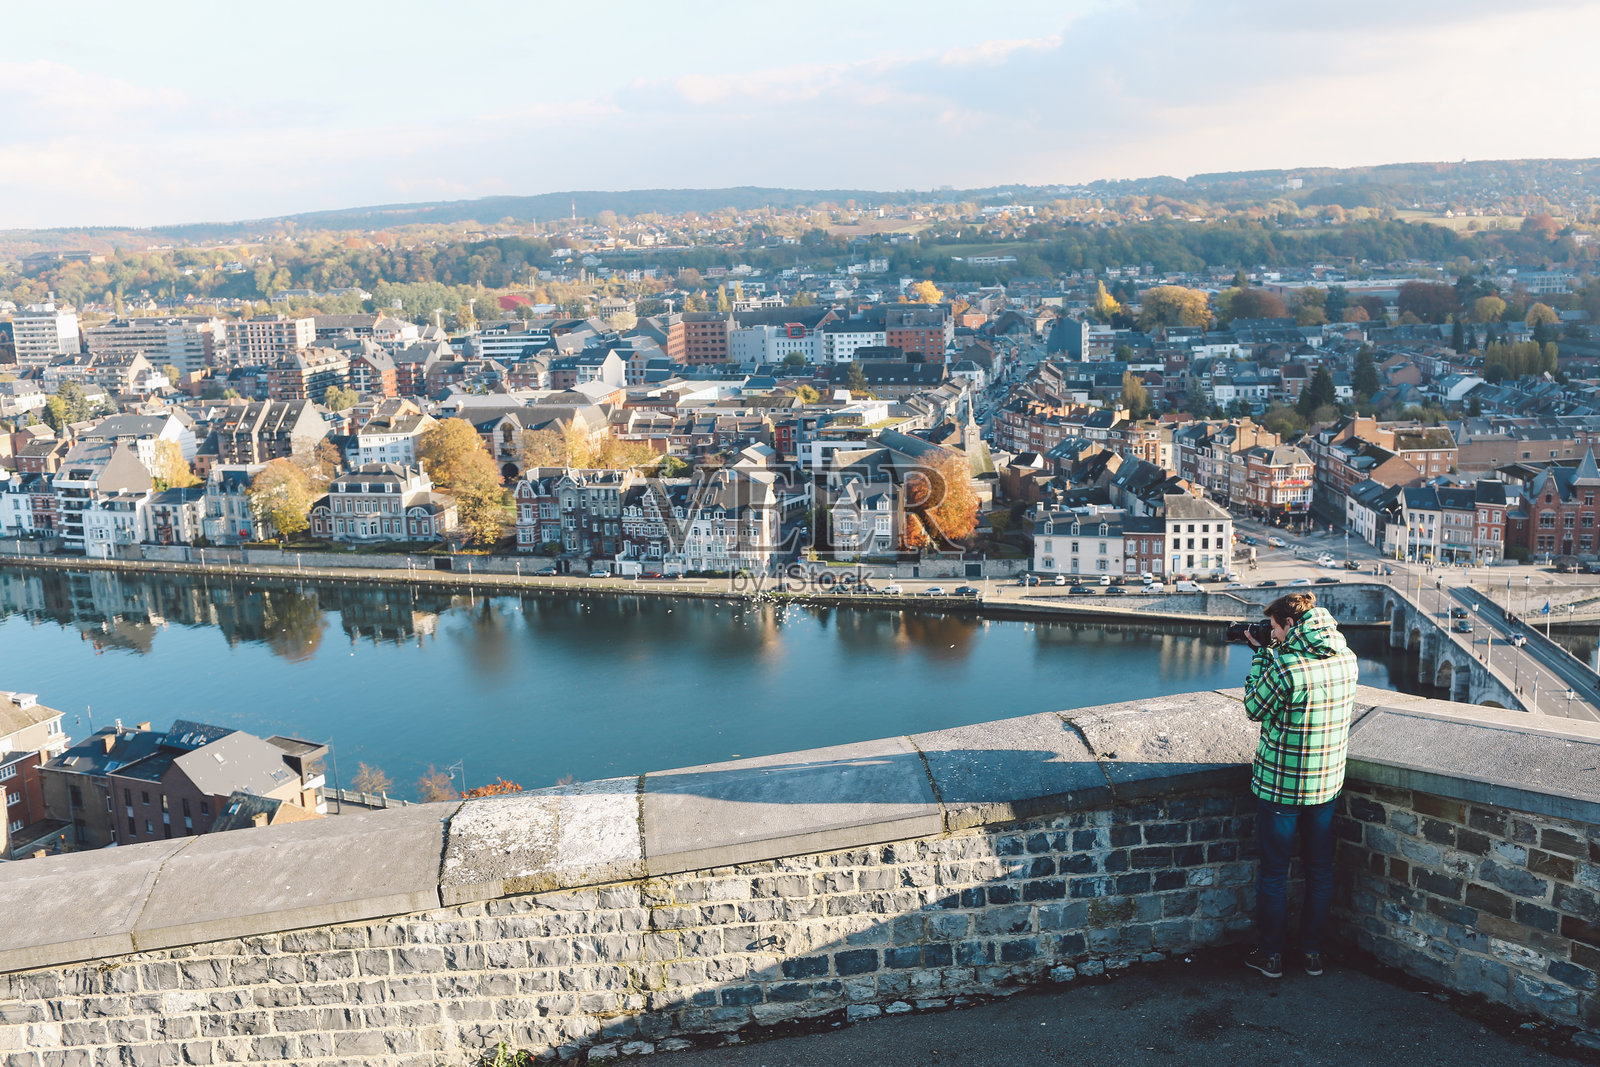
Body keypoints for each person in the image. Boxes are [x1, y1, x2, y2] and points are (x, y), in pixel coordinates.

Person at [1241, 592, 1359, 979]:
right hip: (1326, 782)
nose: (1271, 633)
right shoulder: (1347, 658)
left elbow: (1254, 708)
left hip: (1281, 786)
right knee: (1320, 871)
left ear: (1290, 625)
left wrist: (1261, 655)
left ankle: (1271, 955)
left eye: (1274, 627)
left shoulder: (1285, 664)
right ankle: (1312, 955)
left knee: (1275, 872)